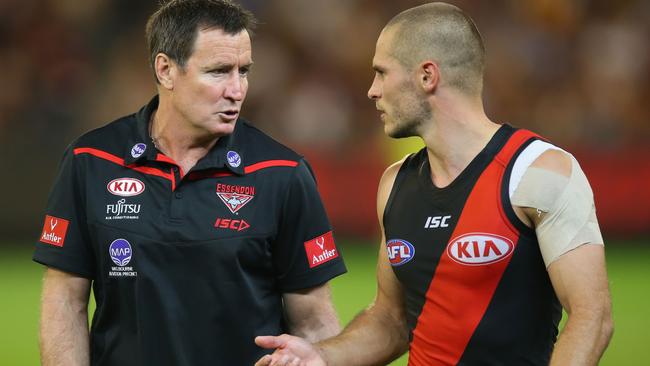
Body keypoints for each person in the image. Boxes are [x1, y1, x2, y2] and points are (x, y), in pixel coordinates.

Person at [255, 2, 613, 365]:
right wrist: (319, 356)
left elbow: (592, 318)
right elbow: (391, 321)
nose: (372, 91)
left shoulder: (539, 172)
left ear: (427, 76)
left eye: (382, 73)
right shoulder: (395, 183)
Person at [33, 1, 347, 365]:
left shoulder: (282, 172)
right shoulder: (91, 161)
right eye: (218, 72)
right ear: (165, 70)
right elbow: (64, 300)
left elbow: (315, 325)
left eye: (243, 71)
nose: (237, 89)